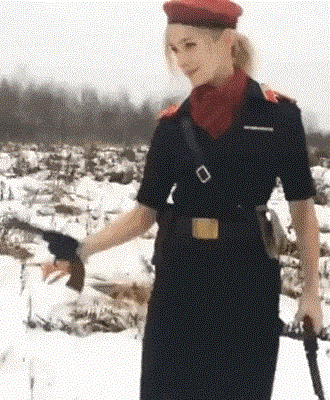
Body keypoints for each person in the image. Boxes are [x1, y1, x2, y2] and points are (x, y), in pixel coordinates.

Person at [42, 0, 324, 398]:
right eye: (174, 49)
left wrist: (311, 293)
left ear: (227, 41)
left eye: (189, 45)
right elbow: (143, 215)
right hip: (180, 282)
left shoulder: (279, 118)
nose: (180, 59)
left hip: (248, 284)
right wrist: (80, 250)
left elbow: (304, 213)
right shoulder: (174, 126)